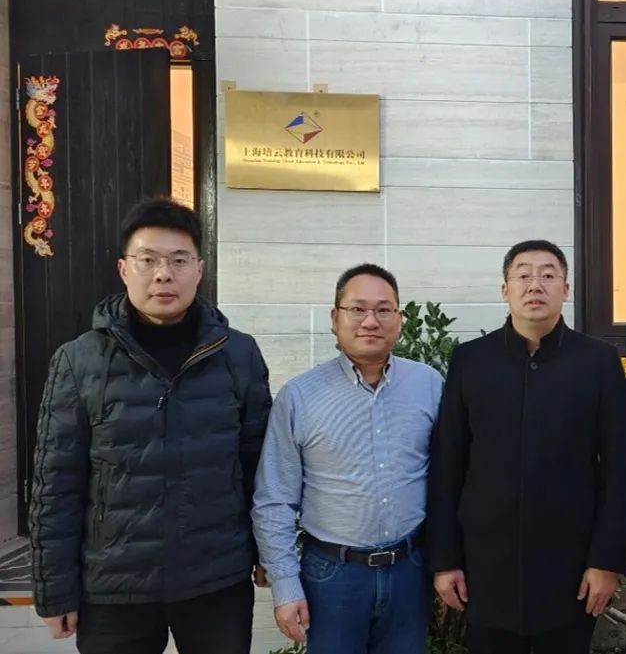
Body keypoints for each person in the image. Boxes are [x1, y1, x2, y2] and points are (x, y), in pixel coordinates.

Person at [29, 198, 272, 654]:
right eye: (148, 260)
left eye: (179, 261)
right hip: (113, 587)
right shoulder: (78, 361)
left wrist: (268, 554)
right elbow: (56, 484)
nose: (164, 274)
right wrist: (54, 588)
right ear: (124, 269)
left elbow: (259, 467)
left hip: (215, 580)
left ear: (199, 270)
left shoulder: (238, 355)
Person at [426, 239, 626, 654]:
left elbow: (620, 467)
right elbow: (448, 463)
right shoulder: (471, 360)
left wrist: (606, 561)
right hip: (486, 566)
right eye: (523, 275)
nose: (535, 285)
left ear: (566, 289)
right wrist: (445, 559)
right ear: (505, 289)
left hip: (571, 567)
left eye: (547, 275)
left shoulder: (598, 361)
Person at [252, 264, 443, 654]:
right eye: (357, 309)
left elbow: (449, 478)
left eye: (384, 309)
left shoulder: (429, 385)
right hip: (332, 575)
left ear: (399, 319)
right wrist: (285, 585)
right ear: (335, 318)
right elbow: (275, 498)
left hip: (410, 570)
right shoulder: (300, 396)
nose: (371, 321)